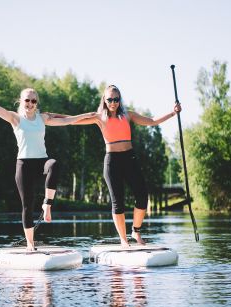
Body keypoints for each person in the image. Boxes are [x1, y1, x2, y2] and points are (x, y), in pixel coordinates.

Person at [0, 80, 95, 251]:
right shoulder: (15, 118)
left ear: (37, 103)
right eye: (27, 100)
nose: (30, 103)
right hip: (24, 165)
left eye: (33, 101)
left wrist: (86, 116)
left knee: (54, 165)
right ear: (21, 101)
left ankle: (47, 205)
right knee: (27, 205)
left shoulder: (42, 118)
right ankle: (30, 244)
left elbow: (66, 121)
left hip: (42, 161)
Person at [72, 84, 181, 247]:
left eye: (116, 99)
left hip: (129, 158)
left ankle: (135, 231)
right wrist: (50, 118)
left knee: (142, 195)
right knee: (118, 202)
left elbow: (152, 122)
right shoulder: (99, 117)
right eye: (110, 99)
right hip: (112, 161)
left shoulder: (128, 115)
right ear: (104, 100)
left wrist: (173, 113)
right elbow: (73, 121)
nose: (113, 102)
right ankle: (123, 240)